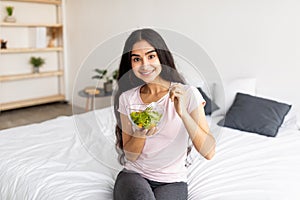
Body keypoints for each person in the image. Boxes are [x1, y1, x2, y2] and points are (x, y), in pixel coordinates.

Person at [113, 28, 216, 200]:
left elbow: (209, 152)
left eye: (151, 56)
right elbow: (130, 155)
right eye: (137, 59)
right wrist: (139, 134)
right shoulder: (127, 99)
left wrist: (183, 113)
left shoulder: (187, 94)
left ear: (162, 57)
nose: (145, 65)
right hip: (134, 176)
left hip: (172, 181)